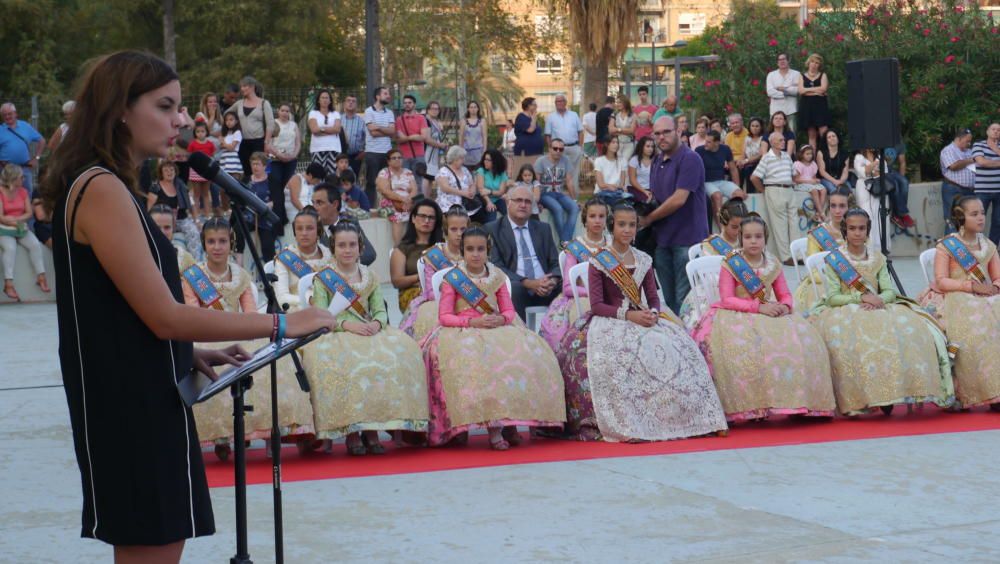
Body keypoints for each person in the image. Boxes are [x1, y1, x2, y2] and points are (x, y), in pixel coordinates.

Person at [41, 51, 335, 561]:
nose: (181, 119)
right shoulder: (102, 189)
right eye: (166, 105)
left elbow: (125, 310)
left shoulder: (104, 185)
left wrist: (185, 351)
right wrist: (282, 323)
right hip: (130, 403)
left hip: (139, 384)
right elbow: (163, 314)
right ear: (119, 111)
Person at [557, 204, 727, 441]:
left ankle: (688, 418)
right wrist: (629, 316)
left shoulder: (644, 259)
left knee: (681, 349)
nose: (627, 230)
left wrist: (654, 313)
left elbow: (654, 297)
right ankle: (630, 422)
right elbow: (597, 306)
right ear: (612, 227)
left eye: (632, 225)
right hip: (610, 321)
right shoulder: (599, 261)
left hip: (643, 317)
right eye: (621, 225)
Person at [420, 226, 566, 449]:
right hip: (463, 329)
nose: (475, 254)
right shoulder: (453, 279)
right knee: (485, 360)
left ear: (488, 250)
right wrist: (472, 322)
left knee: (528, 352)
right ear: (462, 252)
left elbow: (508, 310)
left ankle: (512, 422)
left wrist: (503, 320)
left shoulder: (497, 276)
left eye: (480, 249)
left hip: (496, 326)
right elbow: (445, 316)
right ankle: (494, 428)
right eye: (470, 249)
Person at [809, 209, 954, 416]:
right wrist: (861, 298)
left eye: (861, 228)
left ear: (868, 231)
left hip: (879, 305)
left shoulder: (877, 258)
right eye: (852, 228)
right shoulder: (835, 260)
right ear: (844, 230)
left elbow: (888, 291)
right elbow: (832, 297)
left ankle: (895, 392)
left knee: (908, 331)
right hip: (845, 309)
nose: (857, 233)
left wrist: (878, 299)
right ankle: (866, 397)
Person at [692, 215, 835, 422]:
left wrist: (785, 306)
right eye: (748, 236)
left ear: (765, 238)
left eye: (758, 236)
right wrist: (758, 307)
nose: (753, 241)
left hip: (770, 311)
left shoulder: (772, 263)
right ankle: (752, 407)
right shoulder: (731, 263)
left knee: (804, 344)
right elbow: (727, 299)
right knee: (745, 349)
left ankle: (797, 403)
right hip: (736, 315)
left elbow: (785, 293)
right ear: (740, 238)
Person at [306, 221, 430, 455]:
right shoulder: (324, 278)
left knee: (401, 353)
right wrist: (348, 325)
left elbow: (380, 309)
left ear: (360, 247)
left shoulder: (370, 276)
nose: (347, 249)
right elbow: (322, 315)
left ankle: (373, 429)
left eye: (352, 244)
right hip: (337, 332)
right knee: (351, 365)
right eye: (341, 245)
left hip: (368, 330)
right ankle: (353, 433)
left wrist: (376, 323)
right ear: (333, 247)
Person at [181, 218, 285, 461]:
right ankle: (220, 436)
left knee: (269, 361)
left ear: (231, 242)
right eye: (211, 241)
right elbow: (192, 313)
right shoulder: (192, 277)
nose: (217, 247)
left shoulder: (242, 276)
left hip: (238, 333)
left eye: (222, 241)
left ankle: (267, 430)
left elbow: (249, 314)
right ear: (204, 244)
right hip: (204, 335)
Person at [917, 195, 1000, 409]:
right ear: (960, 217)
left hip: (985, 296)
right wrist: (971, 287)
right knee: (978, 327)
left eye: (982, 212)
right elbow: (942, 281)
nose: (981, 218)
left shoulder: (988, 245)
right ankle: (981, 392)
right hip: (954, 297)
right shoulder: (947, 246)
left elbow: (997, 276)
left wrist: (995, 287)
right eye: (974, 214)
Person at [639, 116, 708, 315]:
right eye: (657, 133)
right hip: (663, 240)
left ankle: (690, 344)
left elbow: (679, 199)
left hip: (687, 240)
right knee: (669, 302)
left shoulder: (690, 158)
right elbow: (657, 196)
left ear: (678, 131)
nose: (662, 137)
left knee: (685, 301)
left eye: (666, 132)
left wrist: (649, 219)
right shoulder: (657, 160)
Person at [538, 198, 610, 352]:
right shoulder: (575, 247)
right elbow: (568, 288)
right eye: (592, 216)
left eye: (601, 216)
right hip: (581, 299)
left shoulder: (613, 245)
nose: (597, 220)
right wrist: (595, 293)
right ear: (585, 219)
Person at [486, 183, 562, 319]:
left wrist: (552, 281)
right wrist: (529, 283)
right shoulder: (493, 229)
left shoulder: (543, 229)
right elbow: (497, 267)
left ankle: (557, 335)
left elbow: (556, 263)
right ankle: (522, 334)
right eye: (518, 200)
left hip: (545, 285)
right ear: (508, 203)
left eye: (527, 201)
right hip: (518, 285)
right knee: (516, 289)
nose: (523, 205)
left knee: (564, 286)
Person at [399, 203, 466, 340]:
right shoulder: (433, 256)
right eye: (454, 229)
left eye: (463, 229)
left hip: (469, 304)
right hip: (438, 304)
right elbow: (431, 292)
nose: (459, 234)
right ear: (446, 230)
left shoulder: (474, 252)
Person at [679, 198, 748, 329]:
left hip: (744, 288)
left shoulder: (748, 241)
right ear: (723, 223)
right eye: (734, 227)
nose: (738, 231)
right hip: (714, 290)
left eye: (742, 227)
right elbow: (711, 277)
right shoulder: (712, 245)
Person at [792, 186, 851, 312]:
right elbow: (813, 271)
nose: (837, 210)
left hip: (851, 281)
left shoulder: (856, 232)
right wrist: (837, 281)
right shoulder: (818, 234)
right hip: (823, 282)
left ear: (849, 208)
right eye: (833, 206)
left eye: (842, 206)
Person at [0, 164, 48, 300]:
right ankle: (8, 283)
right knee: (10, 248)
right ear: (13, 178)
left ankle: (41, 277)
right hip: (4, 229)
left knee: (34, 245)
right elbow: (1, 217)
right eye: (21, 177)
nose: (23, 178)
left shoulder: (23, 192)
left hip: (20, 227)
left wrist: (15, 220)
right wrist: (12, 221)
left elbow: (29, 212)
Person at [751, 132, 797, 265]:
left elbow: (794, 174)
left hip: (788, 189)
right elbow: (754, 177)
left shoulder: (787, 157)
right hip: (774, 188)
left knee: (794, 223)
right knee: (780, 225)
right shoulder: (766, 158)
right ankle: (786, 257)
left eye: (783, 140)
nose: (784, 142)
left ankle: (797, 254)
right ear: (772, 142)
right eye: (781, 140)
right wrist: (764, 191)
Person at [390, 199, 442, 311]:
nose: (427, 220)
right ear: (413, 218)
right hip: (412, 292)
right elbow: (397, 281)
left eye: (431, 217)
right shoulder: (402, 249)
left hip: (441, 290)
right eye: (422, 216)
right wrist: (423, 277)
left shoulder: (441, 247)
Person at [145, 160, 200, 259]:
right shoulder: (155, 187)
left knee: (194, 232)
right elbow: (149, 209)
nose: (169, 172)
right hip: (163, 220)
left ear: (175, 172)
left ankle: (194, 261)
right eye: (166, 170)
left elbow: (191, 204)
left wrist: (197, 220)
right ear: (161, 173)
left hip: (180, 219)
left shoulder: (181, 185)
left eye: (171, 170)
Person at [311, 182, 376, 266]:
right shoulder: (311, 229)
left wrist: (344, 267)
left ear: (335, 204)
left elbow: (369, 254)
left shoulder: (351, 223)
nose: (314, 207)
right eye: (313, 203)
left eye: (319, 203)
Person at [225, 76, 275, 179]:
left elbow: (270, 124)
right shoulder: (239, 104)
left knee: (259, 171)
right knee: (247, 172)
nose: (242, 89)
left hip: (259, 142)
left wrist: (266, 142)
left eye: (244, 86)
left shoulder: (264, 103)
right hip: (243, 143)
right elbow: (226, 114)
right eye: (241, 86)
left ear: (252, 87)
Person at [233, 152, 278, 263]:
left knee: (267, 245)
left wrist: (270, 205)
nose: (255, 167)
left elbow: (277, 200)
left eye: (258, 164)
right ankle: (239, 264)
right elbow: (239, 199)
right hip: (248, 215)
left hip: (265, 218)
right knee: (238, 228)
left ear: (264, 166)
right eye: (253, 164)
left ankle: (270, 272)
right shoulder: (246, 180)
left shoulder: (272, 180)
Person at [534, 139, 580, 244]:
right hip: (544, 194)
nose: (558, 151)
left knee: (574, 207)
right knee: (558, 209)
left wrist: (574, 200)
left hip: (559, 193)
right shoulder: (541, 161)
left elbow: (569, 181)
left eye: (561, 149)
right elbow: (535, 183)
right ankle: (565, 242)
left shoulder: (565, 160)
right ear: (549, 149)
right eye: (555, 148)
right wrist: (536, 202)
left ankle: (564, 240)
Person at [697, 130, 745, 218]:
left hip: (721, 181)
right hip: (706, 182)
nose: (705, 144)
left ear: (717, 143)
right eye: (705, 141)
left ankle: (734, 223)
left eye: (708, 142)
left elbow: (733, 169)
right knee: (717, 196)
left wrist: (737, 187)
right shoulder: (699, 150)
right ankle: (722, 229)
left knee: (740, 194)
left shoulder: (725, 149)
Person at [0, 102, 46, 193]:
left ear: (15, 114)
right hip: (5, 170)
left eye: (10, 114)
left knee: (26, 195)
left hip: (24, 169)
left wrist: (36, 158)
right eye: (5, 115)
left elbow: (42, 141)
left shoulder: (25, 126)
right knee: (5, 196)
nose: (7, 117)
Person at [436, 145, 487, 224]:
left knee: (481, 215)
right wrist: (463, 193)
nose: (463, 160)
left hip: (466, 203)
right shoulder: (444, 171)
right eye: (461, 158)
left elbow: (472, 183)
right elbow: (445, 187)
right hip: (449, 205)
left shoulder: (464, 169)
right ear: (454, 159)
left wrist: (472, 190)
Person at [377, 148, 419, 243]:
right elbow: (385, 191)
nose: (397, 160)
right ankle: (398, 246)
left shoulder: (408, 172)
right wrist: (402, 199)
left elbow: (414, 189)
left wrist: (409, 200)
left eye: (400, 157)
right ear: (388, 161)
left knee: (420, 212)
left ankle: (414, 244)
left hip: (408, 202)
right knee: (397, 215)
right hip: (391, 202)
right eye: (394, 158)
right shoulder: (384, 173)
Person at [940, 128, 977, 234]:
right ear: (959, 139)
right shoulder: (948, 150)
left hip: (969, 191)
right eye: (967, 141)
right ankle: (950, 248)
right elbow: (953, 166)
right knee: (953, 219)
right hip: (954, 189)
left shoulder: (969, 151)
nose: (969, 144)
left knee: (968, 220)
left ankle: (965, 247)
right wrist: (971, 160)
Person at [363, 86, 396, 205]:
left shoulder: (390, 113)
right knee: (372, 182)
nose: (388, 96)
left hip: (387, 153)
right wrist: (385, 130)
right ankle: (370, 207)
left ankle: (385, 206)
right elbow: (372, 132)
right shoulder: (368, 111)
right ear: (377, 96)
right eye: (385, 93)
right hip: (372, 152)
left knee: (387, 181)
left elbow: (392, 132)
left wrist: (379, 127)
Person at [544, 94, 584, 187]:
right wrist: (551, 149)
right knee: (557, 174)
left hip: (574, 148)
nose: (559, 103)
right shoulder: (550, 117)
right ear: (555, 103)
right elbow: (547, 135)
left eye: (561, 101)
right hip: (558, 150)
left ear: (565, 102)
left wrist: (580, 147)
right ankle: (558, 197)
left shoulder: (574, 115)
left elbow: (580, 132)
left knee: (574, 174)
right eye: (557, 101)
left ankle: (574, 199)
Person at [853, 147, 887, 257]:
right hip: (863, 188)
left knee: (879, 216)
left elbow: (884, 172)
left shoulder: (880, 156)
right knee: (867, 216)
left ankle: (880, 248)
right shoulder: (859, 157)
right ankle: (868, 248)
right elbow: (862, 172)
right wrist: (875, 165)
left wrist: (870, 169)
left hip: (877, 188)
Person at [268, 103, 301, 213]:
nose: (285, 113)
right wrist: (279, 154)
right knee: (276, 184)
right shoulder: (273, 124)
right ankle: (278, 214)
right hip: (275, 159)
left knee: (287, 186)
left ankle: (288, 213)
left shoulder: (294, 125)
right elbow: (268, 143)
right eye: (283, 110)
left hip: (291, 160)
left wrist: (294, 155)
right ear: (278, 111)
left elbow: (298, 142)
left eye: (287, 111)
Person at [972, 123, 1000, 244]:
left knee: (998, 221)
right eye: (993, 129)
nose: (996, 132)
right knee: (978, 221)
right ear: (987, 131)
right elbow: (982, 162)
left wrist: (995, 149)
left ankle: (992, 249)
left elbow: (987, 162)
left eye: (999, 130)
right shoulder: (978, 145)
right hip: (982, 190)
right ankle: (978, 247)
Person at [797, 53, 830, 152]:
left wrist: (808, 90)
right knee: (812, 135)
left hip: (820, 106)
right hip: (807, 107)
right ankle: (813, 161)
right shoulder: (802, 76)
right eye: (812, 62)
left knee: (824, 133)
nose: (814, 64)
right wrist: (816, 91)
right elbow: (801, 91)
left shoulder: (823, 75)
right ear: (808, 63)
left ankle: (826, 158)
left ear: (819, 65)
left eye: (817, 63)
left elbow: (823, 89)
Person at [150, 204, 195, 273]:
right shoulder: (140, 258)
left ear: (173, 228)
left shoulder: (186, 259)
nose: (162, 232)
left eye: (167, 227)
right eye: (157, 228)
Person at [307, 89, 342, 178]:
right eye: (322, 98)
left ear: (330, 101)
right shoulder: (313, 113)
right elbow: (314, 130)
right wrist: (331, 130)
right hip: (317, 149)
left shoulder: (335, 113)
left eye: (327, 98)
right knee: (318, 176)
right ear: (318, 100)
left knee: (333, 177)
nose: (325, 100)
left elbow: (337, 129)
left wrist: (321, 130)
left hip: (334, 149)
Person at [186, 121, 216, 220]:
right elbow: (189, 156)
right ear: (195, 133)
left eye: (202, 131)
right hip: (195, 171)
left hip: (206, 171)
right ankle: (197, 214)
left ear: (206, 132)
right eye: (198, 131)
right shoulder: (192, 144)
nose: (200, 133)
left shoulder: (210, 144)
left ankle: (208, 214)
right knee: (196, 194)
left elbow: (212, 156)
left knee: (206, 194)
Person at [883, 141, 915, 229]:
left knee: (904, 182)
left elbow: (902, 162)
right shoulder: (880, 137)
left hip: (891, 171)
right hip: (881, 170)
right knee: (895, 185)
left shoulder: (899, 141)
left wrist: (901, 178)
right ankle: (900, 214)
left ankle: (899, 214)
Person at [766, 53, 801, 131]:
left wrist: (782, 88)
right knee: (774, 136)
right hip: (775, 111)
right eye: (779, 60)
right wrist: (787, 92)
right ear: (777, 62)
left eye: (784, 59)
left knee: (791, 135)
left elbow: (798, 90)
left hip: (790, 110)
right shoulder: (771, 75)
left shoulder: (796, 74)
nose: (782, 61)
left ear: (788, 61)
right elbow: (770, 92)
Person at [391, 94, 426, 173]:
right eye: (405, 103)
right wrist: (414, 137)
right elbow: (398, 140)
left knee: (418, 182)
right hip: (403, 156)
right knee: (404, 182)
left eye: (409, 103)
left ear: (414, 104)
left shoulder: (421, 118)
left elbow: (423, 137)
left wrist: (406, 138)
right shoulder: (399, 120)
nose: (407, 104)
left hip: (418, 155)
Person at [476, 149, 511, 221]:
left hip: (498, 199)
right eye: (485, 159)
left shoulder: (502, 173)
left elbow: (501, 192)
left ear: (495, 161)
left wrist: (490, 191)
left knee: (510, 213)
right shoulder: (481, 171)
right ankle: (490, 231)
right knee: (491, 217)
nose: (485, 162)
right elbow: (481, 190)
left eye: (488, 160)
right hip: (485, 199)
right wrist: (489, 202)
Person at [593, 137, 628, 206]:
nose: (616, 145)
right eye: (613, 142)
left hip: (617, 192)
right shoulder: (599, 161)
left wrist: (619, 187)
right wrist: (610, 186)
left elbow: (622, 183)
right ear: (606, 144)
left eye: (617, 142)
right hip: (602, 192)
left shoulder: (622, 160)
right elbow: (601, 185)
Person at [794, 145, 826, 222]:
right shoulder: (798, 164)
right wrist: (810, 181)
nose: (809, 156)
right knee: (814, 190)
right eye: (807, 154)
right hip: (801, 184)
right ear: (802, 154)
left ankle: (818, 212)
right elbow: (796, 179)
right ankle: (821, 213)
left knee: (823, 189)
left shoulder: (813, 164)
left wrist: (816, 180)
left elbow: (813, 177)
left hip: (810, 183)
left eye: (810, 154)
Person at [422, 100, 447, 196]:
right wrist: (440, 145)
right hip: (427, 153)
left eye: (437, 109)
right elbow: (427, 139)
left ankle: (427, 199)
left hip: (435, 154)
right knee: (426, 177)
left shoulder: (437, 122)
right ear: (428, 110)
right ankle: (424, 200)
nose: (435, 111)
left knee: (430, 178)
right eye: (432, 108)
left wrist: (443, 145)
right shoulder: (426, 120)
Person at [512, 97, 543, 174]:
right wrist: (534, 118)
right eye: (534, 104)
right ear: (528, 106)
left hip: (536, 152)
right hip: (525, 153)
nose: (536, 106)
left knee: (534, 174)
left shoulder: (532, 118)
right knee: (522, 173)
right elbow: (530, 129)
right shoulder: (521, 117)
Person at [817, 129, 850, 194]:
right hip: (826, 179)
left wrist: (840, 181)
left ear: (838, 138)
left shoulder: (844, 154)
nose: (832, 138)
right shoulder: (821, 153)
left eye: (833, 136)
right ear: (826, 141)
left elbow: (845, 172)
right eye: (829, 137)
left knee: (849, 191)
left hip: (840, 179)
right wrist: (834, 181)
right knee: (834, 190)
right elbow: (822, 171)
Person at [740, 117, 769, 189]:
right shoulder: (747, 138)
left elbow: (760, 155)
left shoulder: (764, 138)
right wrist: (741, 162)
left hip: (759, 164)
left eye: (757, 126)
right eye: (752, 126)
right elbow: (743, 153)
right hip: (747, 164)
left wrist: (746, 161)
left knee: (750, 170)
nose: (754, 128)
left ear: (761, 127)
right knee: (739, 168)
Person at [340, 94, 366, 177]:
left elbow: (368, 139)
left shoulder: (362, 121)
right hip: (340, 156)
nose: (351, 103)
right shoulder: (338, 120)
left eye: (353, 101)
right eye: (348, 101)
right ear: (344, 104)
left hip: (356, 157)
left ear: (356, 105)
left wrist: (362, 155)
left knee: (354, 181)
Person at [609, 95, 636, 167]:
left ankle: (625, 178)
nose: (618, 104)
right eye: (617, 102)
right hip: (617, 144)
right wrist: (626, 130)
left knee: (624, 163)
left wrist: (618, 130)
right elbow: (611, 130)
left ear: (625, 103)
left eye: (620, 102)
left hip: (629, 144)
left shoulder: (633, 115)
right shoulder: (614, 114)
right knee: (617, 163)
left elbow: (632, 131)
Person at [627, 135, 655, 203]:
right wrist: (644, 191)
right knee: (646, 201)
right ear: (641, 147)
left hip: (651, 189)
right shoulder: (634, 160)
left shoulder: (656, 160)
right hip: (637, 189)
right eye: (648, 146)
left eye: (652, 147)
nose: (650, 149)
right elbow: (632, 180)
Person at [458, 101, 486, 170]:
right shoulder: (463, 121)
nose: (473, 109)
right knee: (466, 174)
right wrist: (460, 150)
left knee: (478, 173)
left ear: (478, 109)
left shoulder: (482, 121)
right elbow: (461, 136)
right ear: (468, 109)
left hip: (478, 152)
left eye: (475, 107)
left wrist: (484, 150)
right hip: (466, 152)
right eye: (471, 107)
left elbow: (484, 136)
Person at [217, 111, 243, 182]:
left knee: (234, 183)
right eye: (226, 120)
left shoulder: (237, 132)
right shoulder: (226, 133)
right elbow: (221, 147)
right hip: (224, 158)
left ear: (236, 121)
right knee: (225, 183)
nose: (228, 122)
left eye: (231, 119)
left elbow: (232, 148)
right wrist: (224, 144)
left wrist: (223, 142)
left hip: (233, 159)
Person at [723, 113, 749, 179]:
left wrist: (738, 160)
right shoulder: (728, 135)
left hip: (743, 161)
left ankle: (737, 188)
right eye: (732, 123)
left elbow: (746, 152)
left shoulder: (748, 134)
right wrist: (726, 162)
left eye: (737, 122)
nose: (735, 125)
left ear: (742, 122)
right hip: (731, 160)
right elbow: (726, 152)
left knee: (739, 168)